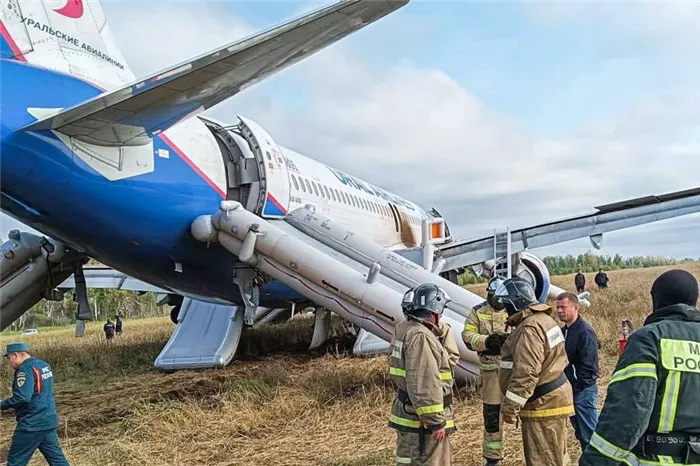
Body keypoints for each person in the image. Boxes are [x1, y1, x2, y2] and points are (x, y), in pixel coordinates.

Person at [580, 269, 700, 465]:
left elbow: (629, 411)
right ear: (695, 299)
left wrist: (595, 460)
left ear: (655, 300)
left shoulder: (649, 339)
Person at [495, 277, 574, 466]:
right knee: (557, 458)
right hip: (553, 399)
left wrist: (510, 409)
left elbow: (526, 373)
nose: (506, 310)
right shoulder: (545, 320)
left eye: (507, 305)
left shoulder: (529, 328)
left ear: (516, 302)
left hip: (542, 406)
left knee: (544, 460)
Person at [388, 283, 459, 466]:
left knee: (408, 461)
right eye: (440, 311)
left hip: (408, 414)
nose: (442, 316)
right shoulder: (421, 337)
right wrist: (435, 421)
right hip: (423, 423)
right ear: (433, 311)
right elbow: (424, 383)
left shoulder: (404, 328)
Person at [461, 276, 509, 465]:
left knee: (531, 414)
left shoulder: (515, 309)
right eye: (494, 297)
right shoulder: (478, 312)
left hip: (515, 372)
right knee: (492, 419)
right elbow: (467, 336)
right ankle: (493, 459)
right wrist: (486, 341)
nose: (498, 301)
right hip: (491, 376)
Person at [0, 342, 70, 466]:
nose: (8, 362)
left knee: (16, 461)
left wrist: (2, 404)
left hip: (31, 424)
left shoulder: (24, 370)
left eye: (9, 358)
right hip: (48, 420)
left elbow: (22, 397)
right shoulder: (43, 365)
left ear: (15, 355)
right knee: (57, 460)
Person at [556, 292, 600, 452]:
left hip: (583, 391)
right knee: (581, 433)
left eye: (563, 307)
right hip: (571, 390)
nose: (560, 311)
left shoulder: (585, 332)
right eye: (558, 308)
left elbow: (589, 367)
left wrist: (578, 386)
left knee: (590, 435)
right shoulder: (563, 332)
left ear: (576, 307)